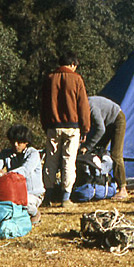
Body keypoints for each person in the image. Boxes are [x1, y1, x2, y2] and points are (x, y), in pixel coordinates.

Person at [40, 52, 91, 208]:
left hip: (53, 127)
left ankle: (47, 197)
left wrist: (45, 125)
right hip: (72, 127)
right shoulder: (76, 79)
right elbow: (83, 106)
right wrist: (85, 128)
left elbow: (43, 105)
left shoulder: (49, 79)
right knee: (69, 162)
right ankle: (65, 198)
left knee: (50, 161)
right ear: (72, 64)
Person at [0, 124, 45, 225]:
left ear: (26, 142)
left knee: (22, 203)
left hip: (32, 194)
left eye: (19, 142)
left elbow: (25, 170)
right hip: (13, 192)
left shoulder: (33, 154)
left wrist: (5, 174)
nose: (15, 144)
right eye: (13, 141)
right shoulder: (5, 153)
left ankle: (35, 213)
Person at [78, 96, 128, 200]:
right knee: (98, 150)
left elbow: (100, 129)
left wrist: (87, 147)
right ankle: (99, 182)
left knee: (116, 154)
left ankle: (123, 189)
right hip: (108, 123)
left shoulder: (91, 107)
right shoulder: (81, 108)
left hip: (117, 119)